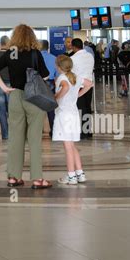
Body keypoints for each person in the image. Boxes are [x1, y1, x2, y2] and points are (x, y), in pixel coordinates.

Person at [0, 24, 52, 189]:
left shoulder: (11, 53)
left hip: (16, 96)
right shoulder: (35, 53)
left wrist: (4, 88)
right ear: (32, 37)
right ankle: (38, 179)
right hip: (34, 97)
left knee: (15, 138)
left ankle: (13, 177)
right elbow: (46, 75)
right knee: (34, 139)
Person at [53, 55, 92, 184]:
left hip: (64, 114)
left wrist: (56, 97)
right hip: (74, 114)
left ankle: (71, 176)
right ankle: (80, 173)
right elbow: (89, 84)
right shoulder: (75, 77)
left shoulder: (62, 78)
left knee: (68, 146)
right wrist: (78, 95)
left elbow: (65, 87)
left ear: (58, 66)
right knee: (72, 145)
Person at [70, 38, 95, 138]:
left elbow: (71, 73)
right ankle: (88, 131)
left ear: (73, 47)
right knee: (87, 107)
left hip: (78, 86)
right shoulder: (90, 56)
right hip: (89, 86)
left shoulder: (73, 59)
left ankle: (82, 132)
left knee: (79, 109)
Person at [40, 39, 57, 137]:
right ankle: (53, 131)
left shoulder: (36, 57)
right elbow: (57, 75)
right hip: (50, 83)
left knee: (37, 108)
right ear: (48, 47)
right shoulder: (54, 58)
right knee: (51, 109)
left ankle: (36, 131)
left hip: (38, 83)